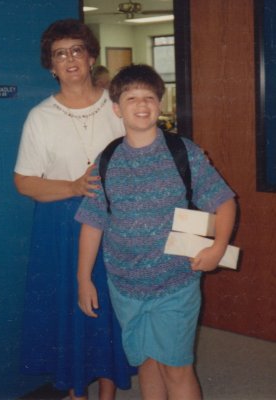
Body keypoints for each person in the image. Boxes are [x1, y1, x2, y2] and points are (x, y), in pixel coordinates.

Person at [76, 64, 237, 400]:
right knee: (147, 363)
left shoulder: (184, 153)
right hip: (125, 286)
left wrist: (218, 248)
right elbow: (93, 223)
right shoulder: (105, 161)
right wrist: (83, 279)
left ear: (160, 104)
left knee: (176, 368)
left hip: (174, 284)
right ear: (117, 108)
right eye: (131, 98)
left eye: (149, 97)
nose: (141, 104)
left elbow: (224, 203)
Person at [14, 19, 135, 400]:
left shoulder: (117, 109)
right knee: (72, 316)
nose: (69, 59)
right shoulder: (40, 117)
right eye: (59, 54)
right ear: (50, 65)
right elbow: (24, 182)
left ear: (91, 56)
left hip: (115, 223)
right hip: (61, 226)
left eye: (77, 50)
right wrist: (73, 186)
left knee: (112, 312)